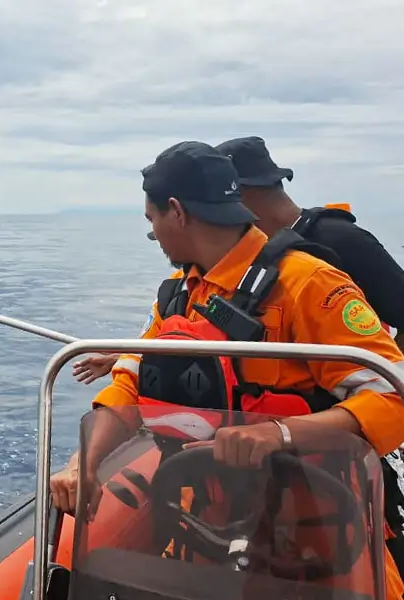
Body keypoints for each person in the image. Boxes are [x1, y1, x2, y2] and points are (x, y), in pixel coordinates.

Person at [49, 140, 404, 594]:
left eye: (151, 220)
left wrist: (280, 435)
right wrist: (85, 463)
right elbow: (129, 383)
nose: (154, 235)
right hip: (207, 535)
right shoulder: (178, 296)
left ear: (176, 212)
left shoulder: (309, 284)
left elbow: (391, 396)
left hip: (324, 541)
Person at [72, 135, 404, 384]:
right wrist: (129, 357)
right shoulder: (211, 272)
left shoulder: (330, 249)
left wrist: (366, 402)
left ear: (240, 194)